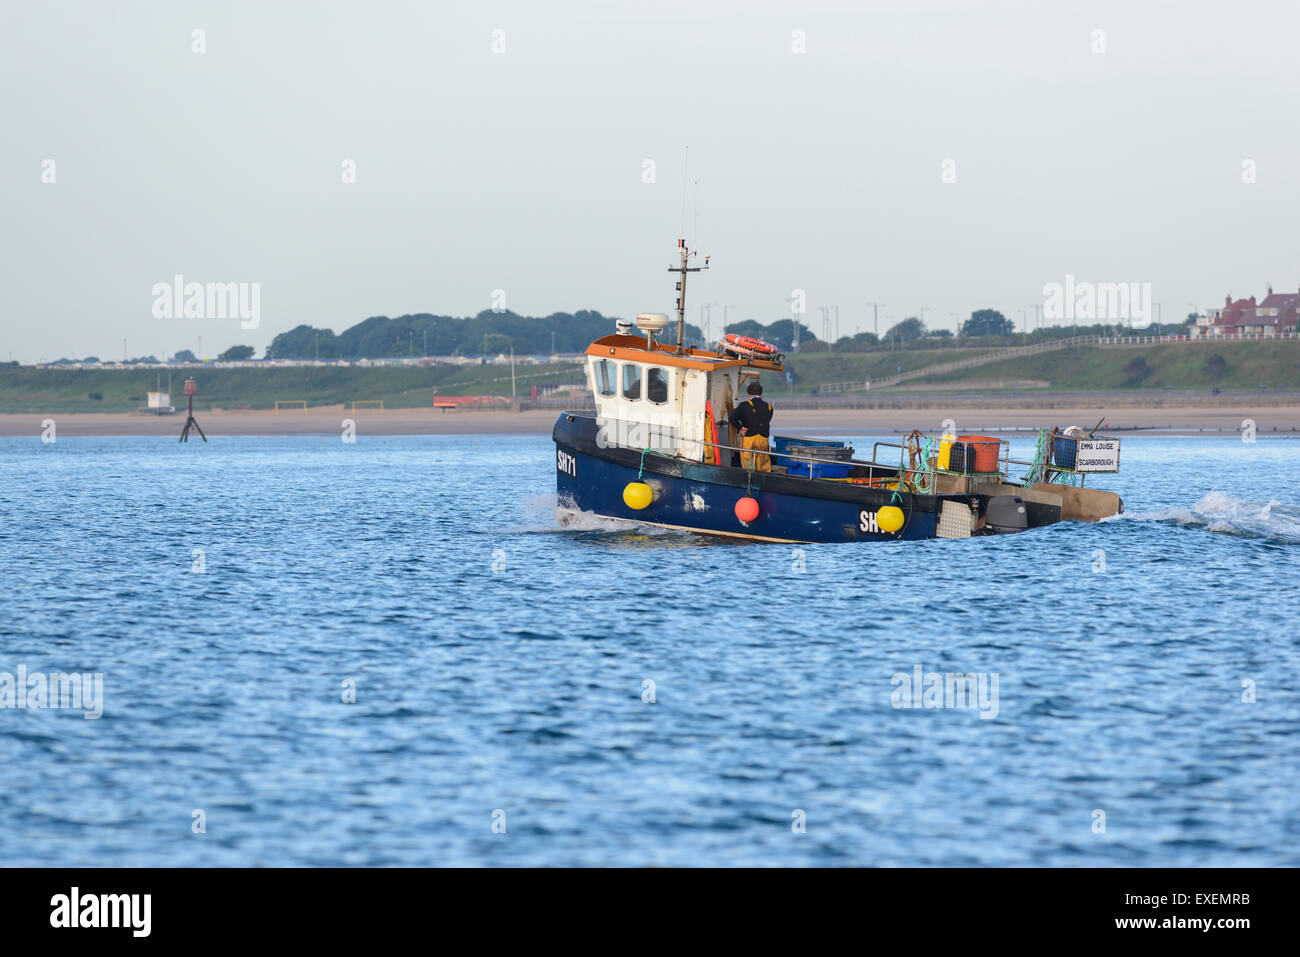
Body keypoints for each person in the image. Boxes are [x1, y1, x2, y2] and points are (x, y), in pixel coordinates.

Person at [729, 380, 773, 471]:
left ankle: (749, 479)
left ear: (749, 393)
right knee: (763, 463)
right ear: (761, 393)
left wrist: (740, 428)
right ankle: (763, 479)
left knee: (747, 463)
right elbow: (767, 420)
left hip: (749, 438)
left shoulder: (744, 405)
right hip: (763, 439)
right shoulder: (768, 407)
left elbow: (732, 417)